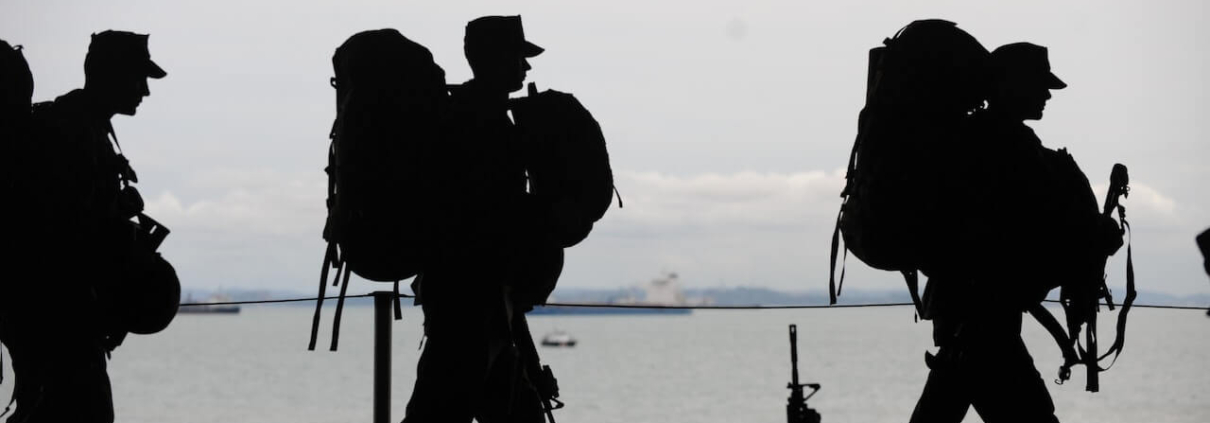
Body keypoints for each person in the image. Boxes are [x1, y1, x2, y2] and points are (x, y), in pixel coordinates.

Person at [910, 42, 1123, 423]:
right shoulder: (1004, 144)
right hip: (981, 320)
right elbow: (1029, 226)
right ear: (1008, 84)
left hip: (967, 315)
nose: (1045, 94)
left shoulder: (982, 138)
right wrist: (1095, 233)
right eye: (1038, 84)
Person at [1, 30, 167, 423]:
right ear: (111, 74)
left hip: (63, 315)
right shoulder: (69, 130)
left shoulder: (87, 127)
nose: (145, 90)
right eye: (138, 77)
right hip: (54, 316)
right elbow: (60, 232)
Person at [403, 16, 547, 423]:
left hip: (477, 296)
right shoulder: (480, 121)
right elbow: (485, 215)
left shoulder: (471, 113)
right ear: (495, 58)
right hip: (471, 299)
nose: (527, 67)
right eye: (520, 56)